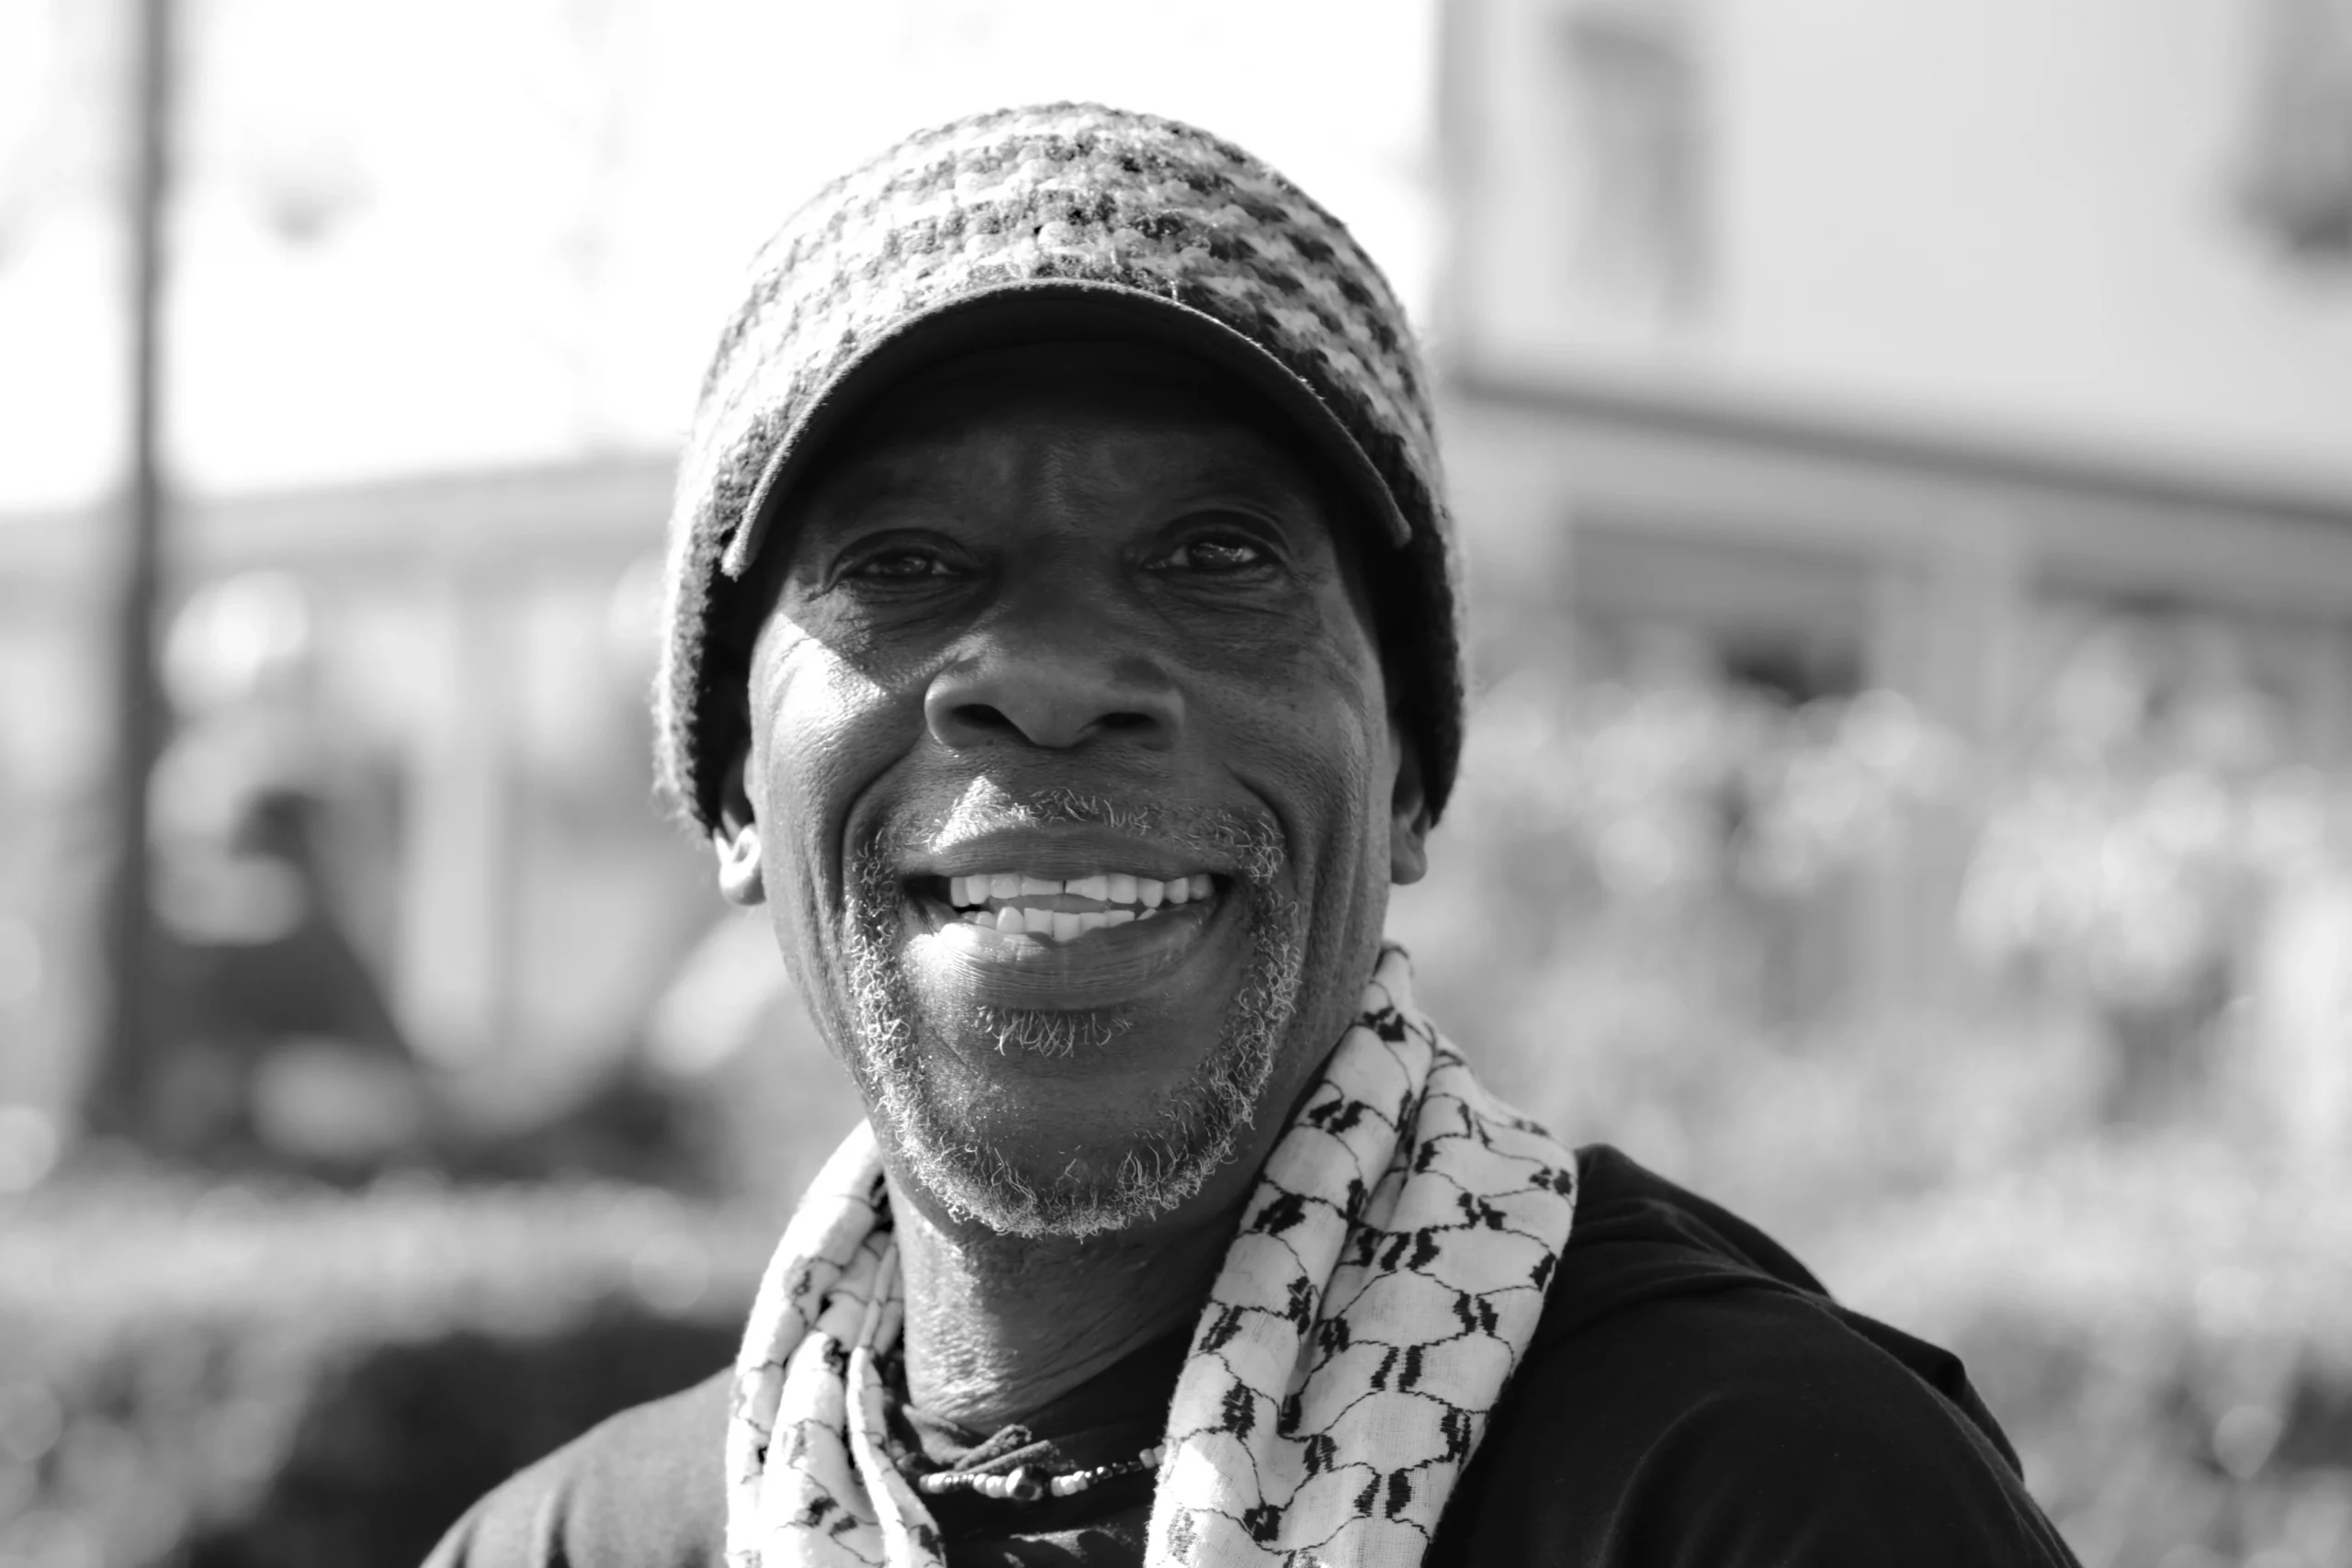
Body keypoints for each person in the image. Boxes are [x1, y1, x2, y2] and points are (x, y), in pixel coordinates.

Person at [426, 103, 2081, 1567]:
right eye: (903, 563)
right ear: (730, 789)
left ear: (1411, 770)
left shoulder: (1761, 1497)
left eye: (1215, 553)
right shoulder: (572, 1547)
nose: (1051, 677)